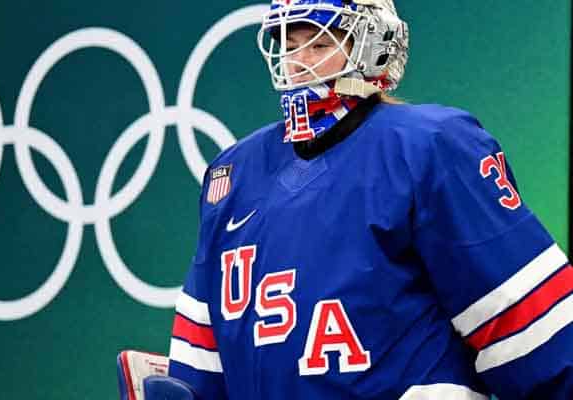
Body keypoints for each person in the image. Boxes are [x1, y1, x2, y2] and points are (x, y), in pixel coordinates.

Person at [162, 0, 573, 398]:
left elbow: (535, 329)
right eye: (288, 45)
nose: (296, 61)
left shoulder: (433, 147)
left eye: (319, 43)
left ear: (375, 46)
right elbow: (200, 366)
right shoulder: (232, 174)